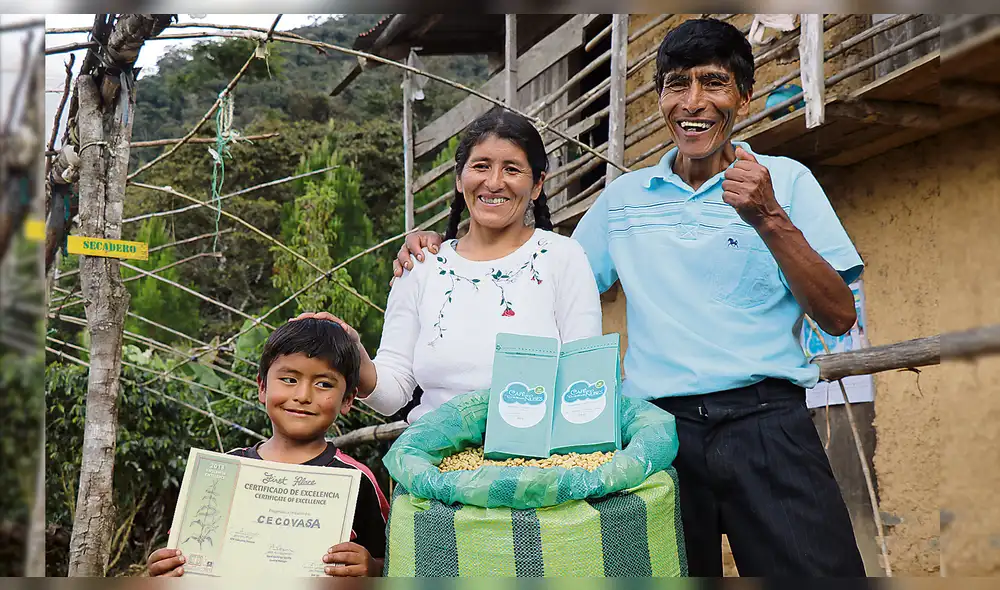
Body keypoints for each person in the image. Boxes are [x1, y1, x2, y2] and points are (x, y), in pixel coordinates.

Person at [391, 19, 867, 577]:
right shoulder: (622, 201)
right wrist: (442, 256)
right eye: (676, 84)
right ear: (660, 97)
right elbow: (536, 274)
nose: (694, 102)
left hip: (768, 422)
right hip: (654, 439)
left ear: (744, 93)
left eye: (713, 83)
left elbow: (837, 316)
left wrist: (768, 217)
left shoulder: (785, 181)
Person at [298, 106, 603, 424]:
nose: (494, 182)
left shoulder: (563, 258)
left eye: (512, 169)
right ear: (460, 178)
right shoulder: (421, 266)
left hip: (537, 465)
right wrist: (353, 350)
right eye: (481, 166)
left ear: (538, 184)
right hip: (435, 463)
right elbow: (393, 392)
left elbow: (584, 377)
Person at [146, 319, 389, 577]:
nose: (303, 395)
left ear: (348, 399)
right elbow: (183, 552)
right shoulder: (223, 471)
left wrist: (371, 568)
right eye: (288, 379)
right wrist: (165, 567)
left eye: (324, 384)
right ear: (262, 387)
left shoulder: (356, 479)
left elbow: (391, 561)